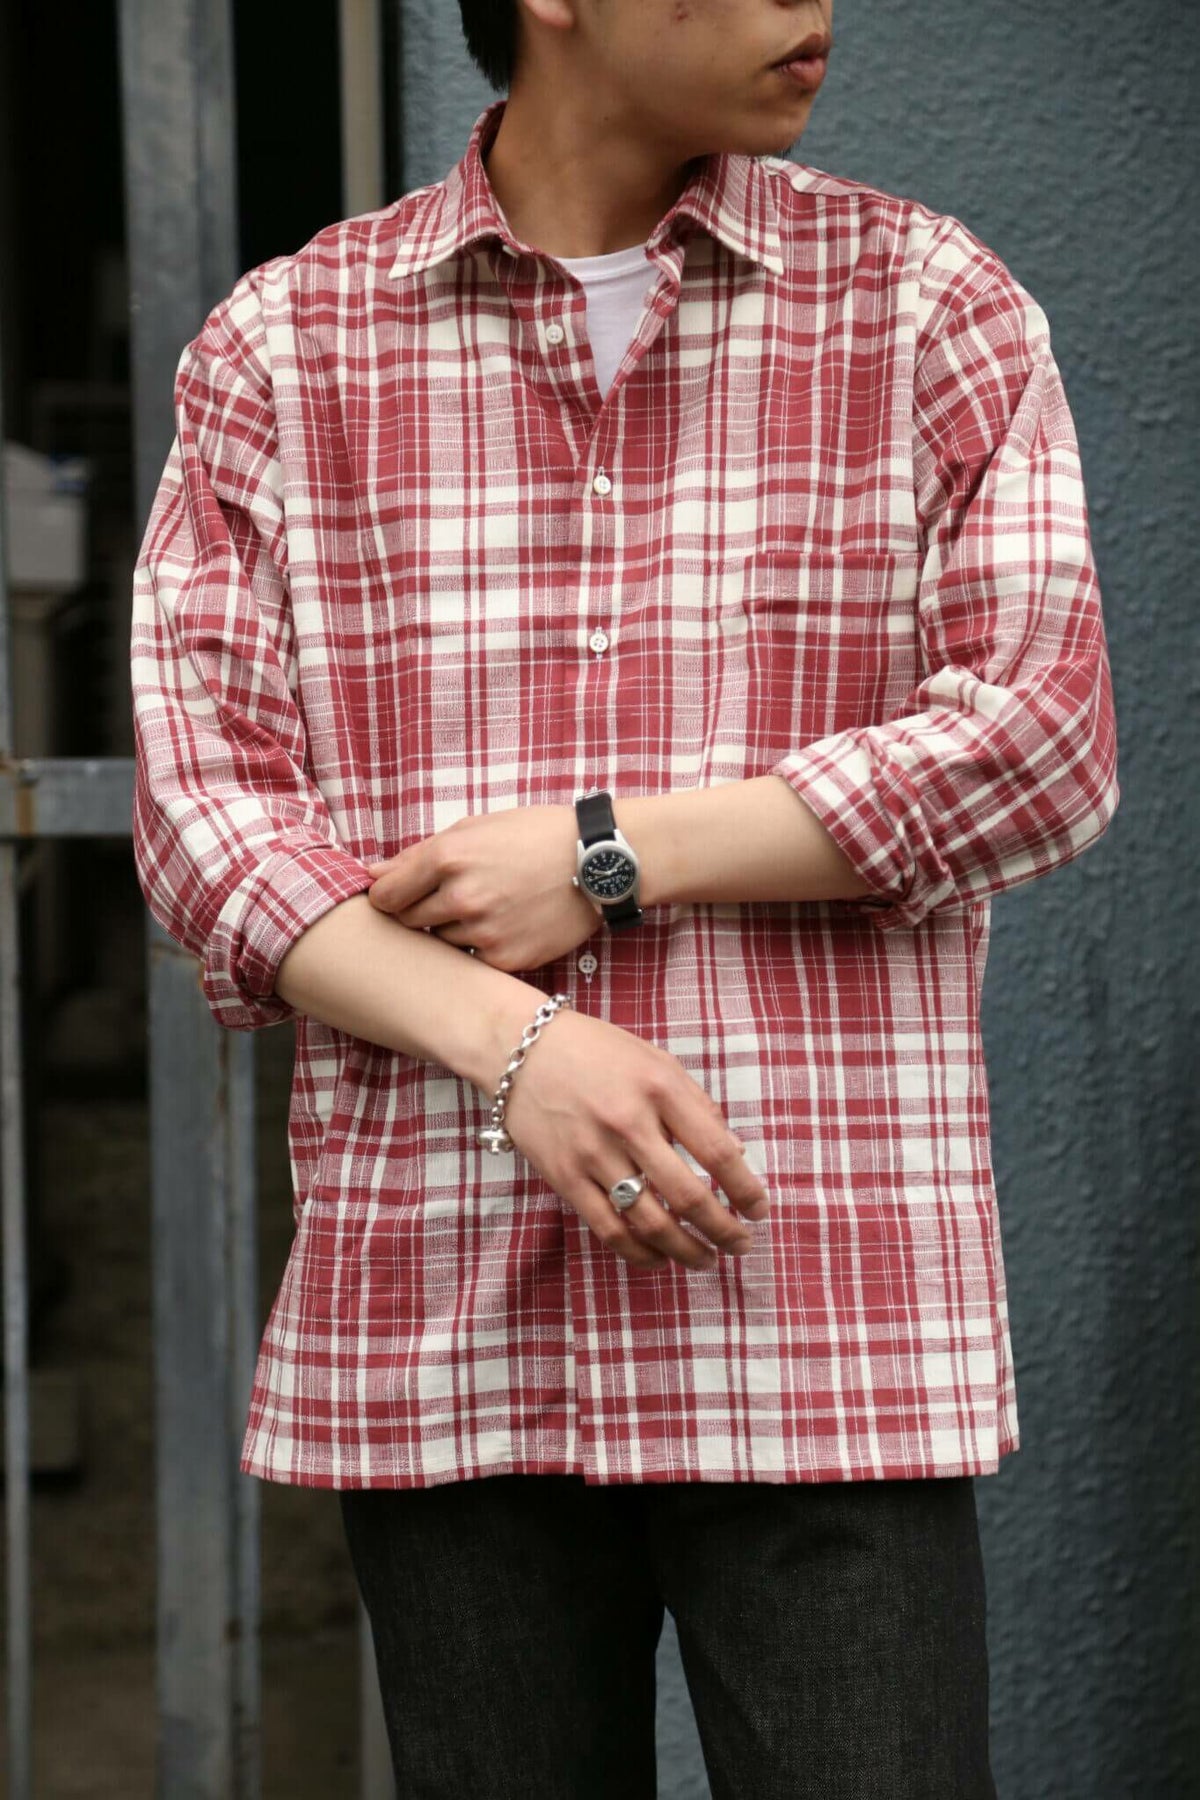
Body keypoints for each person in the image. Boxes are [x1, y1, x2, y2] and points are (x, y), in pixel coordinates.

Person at [130, 0, 1119, 1793]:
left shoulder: (923, 305)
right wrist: (519, 1048)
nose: (814, 6)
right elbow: (208, 824)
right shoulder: (287, 347)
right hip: (446, 1312)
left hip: (817, 1319)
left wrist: (608, 851)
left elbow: (1042, 740)